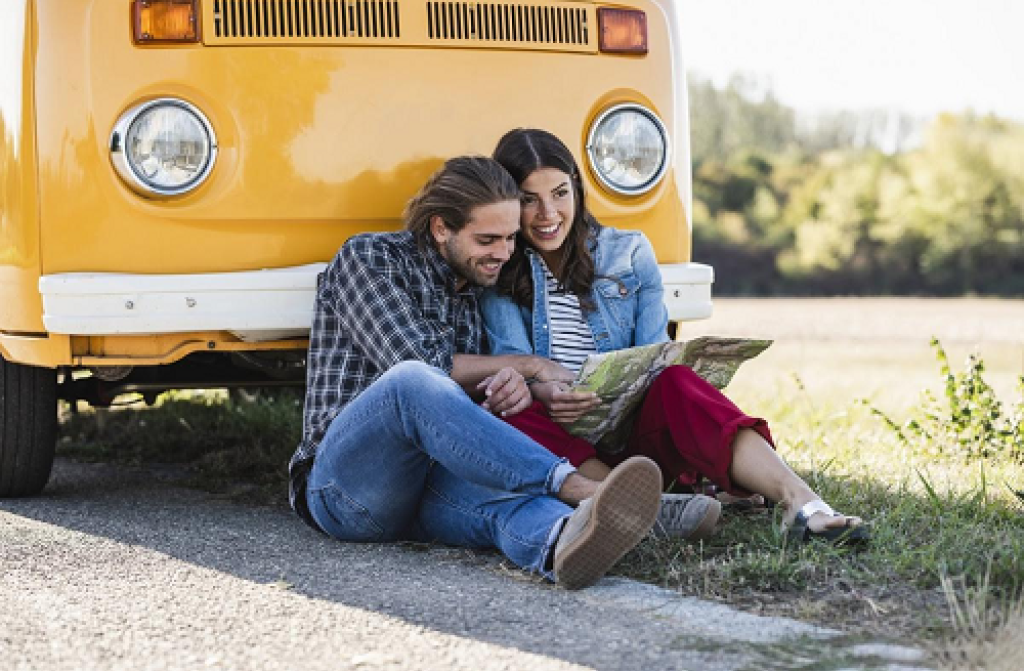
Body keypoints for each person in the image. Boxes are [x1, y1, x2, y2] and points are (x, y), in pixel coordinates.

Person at [288, 156, 667, 590]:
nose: (504, 253)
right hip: (348, 490)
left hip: (431, 485)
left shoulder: (476, 289)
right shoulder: (370, 259)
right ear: (440, 228)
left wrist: (513, 390)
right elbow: (418, 366)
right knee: (410, 380)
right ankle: (579, 488)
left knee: (509, 503)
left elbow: (460, 407)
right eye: (488, 239)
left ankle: (572, 535)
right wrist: (527, 365)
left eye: (509, 238)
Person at [480, 129, 869, 545]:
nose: (547, 213)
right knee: (508, 411)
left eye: (559, 193)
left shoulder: (626, 251)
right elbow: (514, 364)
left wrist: (637, 385)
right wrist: (545, 394)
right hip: (562, 448)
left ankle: (803, 504)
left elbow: (655, 355)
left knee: (677, 381)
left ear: (577, 187)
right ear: (508, 203)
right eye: (528, 199)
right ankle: (642, 505)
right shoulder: (501, 268)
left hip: (634, 436)